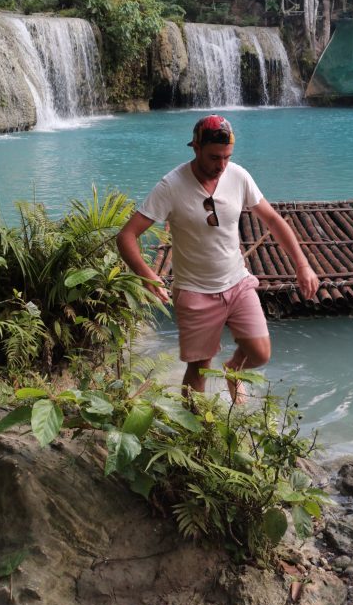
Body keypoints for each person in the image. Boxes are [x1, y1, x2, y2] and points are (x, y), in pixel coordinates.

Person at [116, 114, 319, 402]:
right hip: (195, 290)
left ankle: (233, 369)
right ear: (195, 148)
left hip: (237, 281)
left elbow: (272, 220)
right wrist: (147, 273)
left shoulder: (238, 175)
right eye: (214, 157)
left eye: (227, 157)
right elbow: (126, 236)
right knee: (199, 368)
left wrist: (302, 265)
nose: (221, 165)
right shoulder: (171, 186)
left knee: (260, 353)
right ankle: (195, 434)